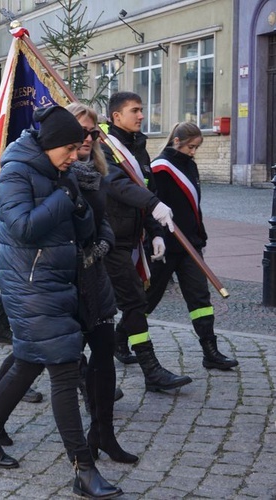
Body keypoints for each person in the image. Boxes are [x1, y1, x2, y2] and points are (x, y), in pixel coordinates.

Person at [0, 105, 121, 499]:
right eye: (70, 147)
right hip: (30, 283)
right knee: (64, 370)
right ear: (52, 143)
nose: (76, 155)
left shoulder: (61, 173)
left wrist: (81, 203)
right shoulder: (16, 171)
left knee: (27, 363)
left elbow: (81, 229)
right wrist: (62, 197)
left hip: (58, 281)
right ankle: (83, 469)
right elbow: (21, 227)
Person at [101, 91, 192, 393]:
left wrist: (155, 232)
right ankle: (147, 370)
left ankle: (114, 352)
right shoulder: (105, 147)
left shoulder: (138, 145)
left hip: (131, 236)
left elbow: (145, 188)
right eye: (135, 111)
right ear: (116, 116)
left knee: (128, 302)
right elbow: (118, 184)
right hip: (109, 237)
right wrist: (153, 204)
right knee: (130, 302)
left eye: (141, 110)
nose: (142, 115)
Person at [67, 102, 137, 463]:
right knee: (27, 359)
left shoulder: (96, 169)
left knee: (105, 351)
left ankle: (103, 433)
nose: (87, 138)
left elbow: (103, 219)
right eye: (81, 131)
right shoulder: (59, 171)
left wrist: (103, 243)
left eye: (93, 133)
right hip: (65, 280)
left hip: (95, 274)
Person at [147, 122, 238, 370]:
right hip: (166, 246)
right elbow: (150, 208)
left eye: (196, 147)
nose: (193, 152)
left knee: (200, 298)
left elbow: (192, 207)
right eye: (191, 147)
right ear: (176, 141)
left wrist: (200, 234)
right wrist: (156, 237)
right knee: (149, 298)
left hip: (190, 247)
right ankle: (121, 339)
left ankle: (210, 350)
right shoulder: (160, 169)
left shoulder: (190, 165)